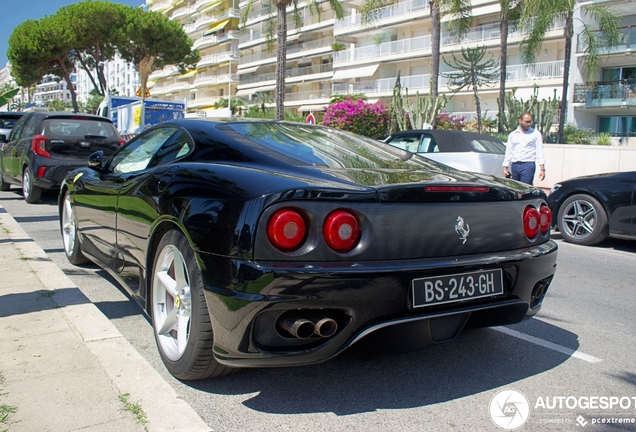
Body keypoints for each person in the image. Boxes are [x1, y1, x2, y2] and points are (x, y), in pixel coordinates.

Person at [502, 112, 545, 185]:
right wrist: (505, 167)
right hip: (515, 165)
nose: (528, 124)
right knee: (515, 188)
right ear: (520, 121)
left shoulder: (535, 134)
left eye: (530, 122)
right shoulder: (513, 135)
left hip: (528, 165)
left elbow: (539, 151)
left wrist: (542, 168)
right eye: (526, 122)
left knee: (525, 188)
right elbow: (509, 151)